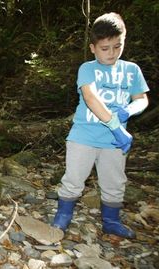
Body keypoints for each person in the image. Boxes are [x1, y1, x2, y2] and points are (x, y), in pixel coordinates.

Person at [52, 12, 149, 239]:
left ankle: (111, 221)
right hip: (83, 136)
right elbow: (91, 98)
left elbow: (141, 98)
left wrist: (128, 110)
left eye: (118, 46)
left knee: (115, 181)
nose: (112, 54)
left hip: (114, 142)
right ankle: (63, 217)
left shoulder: (131, 70)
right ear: (93, 47)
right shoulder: (87, 68)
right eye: (105, 48)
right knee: (74, 178)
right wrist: (116, 125)